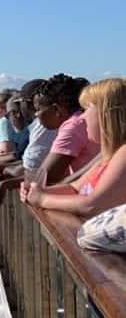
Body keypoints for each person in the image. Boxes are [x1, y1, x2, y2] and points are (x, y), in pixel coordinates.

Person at [24, 78, 126, 217]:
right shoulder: (109, 154)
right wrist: (36, 191)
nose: (82, 116)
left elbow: (92, 204)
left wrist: (42, 199)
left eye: (87, 109)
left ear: (107, 114)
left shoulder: (123, 153)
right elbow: (75, 187)